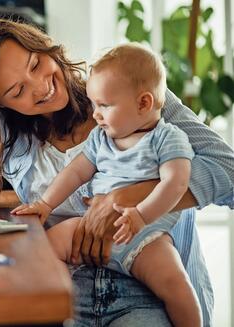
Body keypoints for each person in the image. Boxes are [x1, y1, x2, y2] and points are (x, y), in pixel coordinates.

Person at [0, 18, 234, 326]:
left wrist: (126, 198)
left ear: (43, 47)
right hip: (65, 285)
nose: (41, 86)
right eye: (17, 89)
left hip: (149, 284)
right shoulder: (10, 135)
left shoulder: (128, 91)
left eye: (37, 64)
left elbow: (228, 172)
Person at [12, 43, 201, 326]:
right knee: (44, 248)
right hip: (91, 226)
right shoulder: (102, 138)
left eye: (104, 105)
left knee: (178, 286)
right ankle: (64, 310)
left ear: (143, 103)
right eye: (93, 104)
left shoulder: (168, 139)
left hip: (145, 238)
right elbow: (75, 173)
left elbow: (176, 184)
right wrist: (45, 203)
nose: (95, 114)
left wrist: (140, 215)